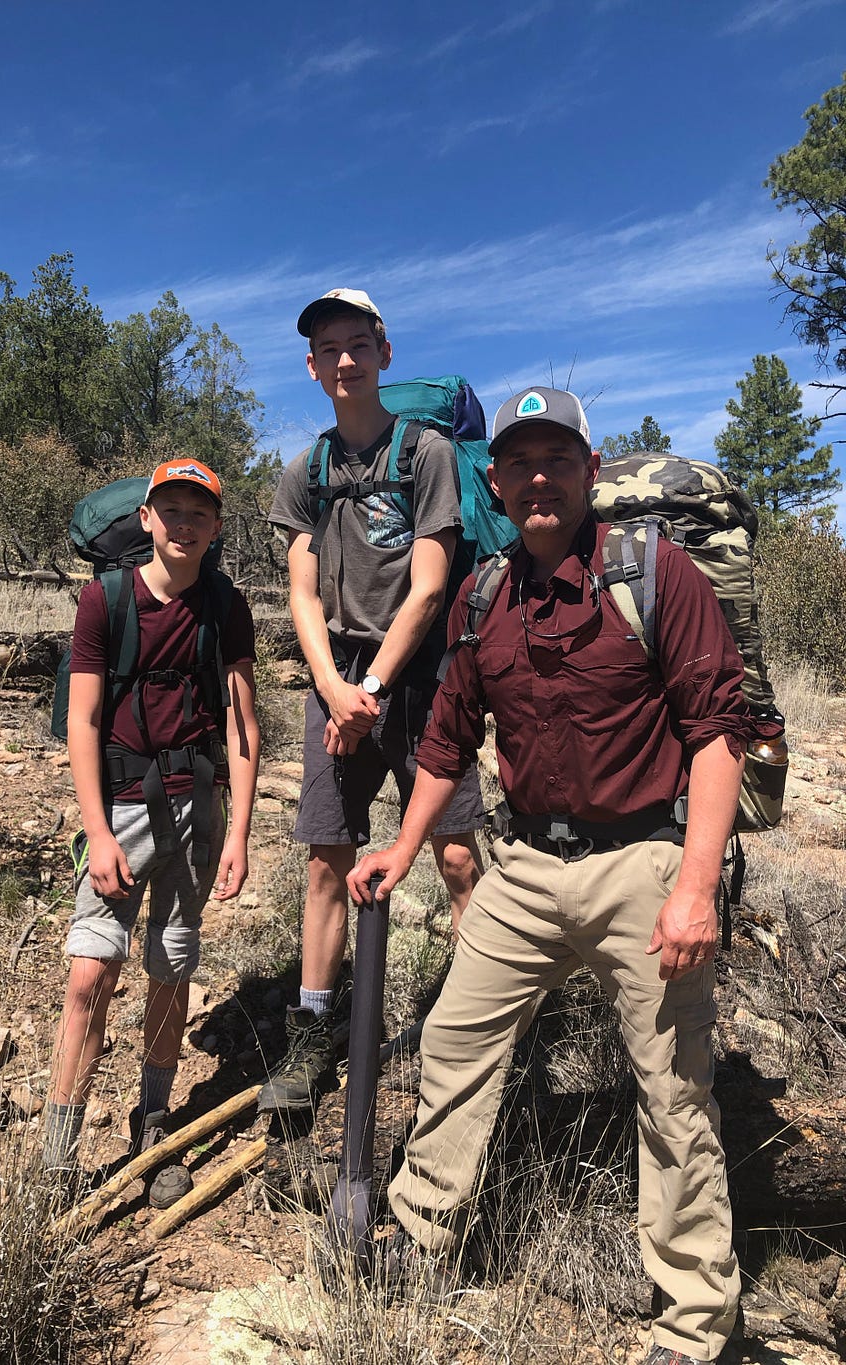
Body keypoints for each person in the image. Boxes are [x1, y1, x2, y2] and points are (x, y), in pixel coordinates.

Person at [348, 388, 750, 1365]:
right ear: (496, 480)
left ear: (589, 470)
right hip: (523, 865)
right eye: (520, 462)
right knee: (452, 1045)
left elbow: (715, 732)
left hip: (643, 864)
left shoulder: (655, 576)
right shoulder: (485, 598)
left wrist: (695, 885)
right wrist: (401, 852)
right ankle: (420, 1231)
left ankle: (696, 1326)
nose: (537, 476)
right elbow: (446, 743)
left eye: (556, 459)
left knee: (671, 1093)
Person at [261, 288, 485, 1113]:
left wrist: (373, 688)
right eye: (329, 348)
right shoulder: (306, 470)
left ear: (384, 354)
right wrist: (331, 687)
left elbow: (429, 588)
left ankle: (477, 1023)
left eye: (358, 344)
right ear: (312, 366)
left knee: (457, 854)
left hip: (421, 674)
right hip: (339, 677)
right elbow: (301, 591)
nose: (345, 359)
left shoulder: (424, 453)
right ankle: (314, 1030)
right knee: (326, 859)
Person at [43, 458, 260, 1207]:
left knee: (171, 969)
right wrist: (97, 832)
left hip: (197, 810)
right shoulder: (106, 600)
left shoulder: (226, 606)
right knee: (89, 975)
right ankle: (57, 1160)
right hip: (125, 807)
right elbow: (83, 719)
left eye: (198, 512)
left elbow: (242, 725)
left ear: (216, 527)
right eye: (170, 509)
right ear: (146, 518)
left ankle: (154, 1123)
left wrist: (237, 834)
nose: (183, 523)